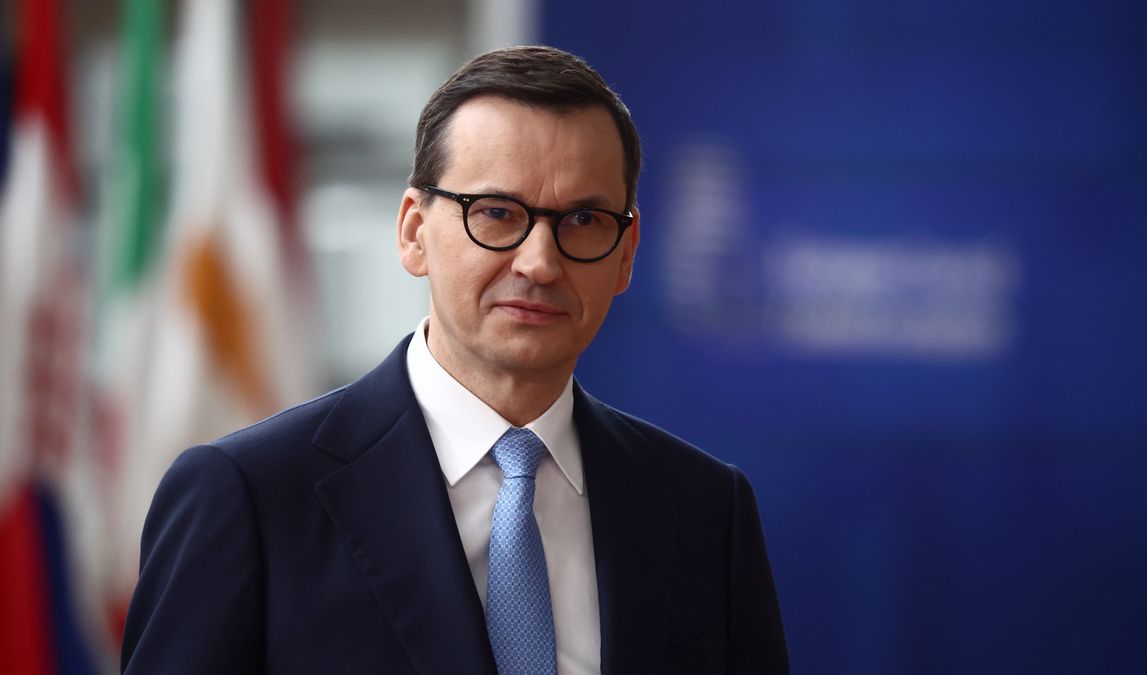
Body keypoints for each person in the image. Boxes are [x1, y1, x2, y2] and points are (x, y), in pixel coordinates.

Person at [121, 45, 789, 675]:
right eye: (496, 212)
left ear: (627, 251)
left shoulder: (706, 509)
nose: (539, 262)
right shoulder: (248, 496)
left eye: (583, 221)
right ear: (414, 230)